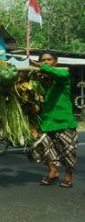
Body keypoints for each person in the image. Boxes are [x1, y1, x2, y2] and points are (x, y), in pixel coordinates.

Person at [29, 51, 78, 188]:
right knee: (43, 147)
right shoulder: (44, 83)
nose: (45, 62)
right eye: (43, 60)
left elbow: (61, 74)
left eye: (48, 60)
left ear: (55, 62)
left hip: (64, 120)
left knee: (68, 151)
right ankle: (53, 171)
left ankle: (69, 175)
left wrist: (39, 65)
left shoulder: (63, 77)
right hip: (47, 121)